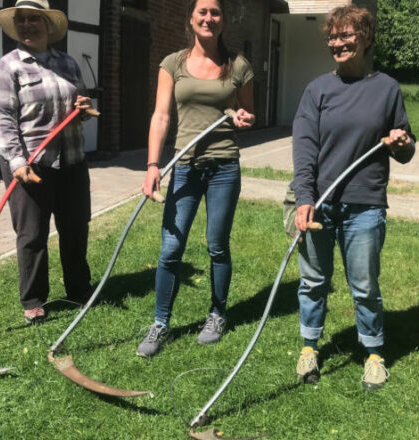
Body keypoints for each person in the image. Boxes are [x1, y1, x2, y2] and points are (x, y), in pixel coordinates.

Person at [291, 6, 415, 390]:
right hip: (321, 202)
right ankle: (309, 347)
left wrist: (401, 142)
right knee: (313, 280)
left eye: (346, 35)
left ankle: (374, 353)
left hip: (365, 202)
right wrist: (304, 197)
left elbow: (406, 148)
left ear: (365, 38)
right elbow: (305, 147)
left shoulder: (387, 89)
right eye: (333, 36)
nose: (338, 43)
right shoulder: (317, 90)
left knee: (364, 284)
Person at [137, 0, 256, 358]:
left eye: (215, 12)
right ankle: (160, 323)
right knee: (172, 248)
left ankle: (217, 314)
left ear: (223, 20)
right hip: (185, 166)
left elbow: (249, 113)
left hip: (223, 167)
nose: (208, 18)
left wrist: (242, 119)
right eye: (202, 11)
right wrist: (153, 165)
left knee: (217, 245)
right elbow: (160, 116)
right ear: (191, 18)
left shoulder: (238, 65)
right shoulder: (172, 63)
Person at [0, 0, 94, 324]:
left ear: (48, 26)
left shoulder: (68, 63)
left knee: (75, 228)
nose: (27, 26)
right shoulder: (7, 68)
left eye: (34, 19)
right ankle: (34, 299)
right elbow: (3, 120)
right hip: (30, 165)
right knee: (32, 234)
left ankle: (79, 288)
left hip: (72, 159)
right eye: (21, 20)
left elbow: (80, 104)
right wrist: (19, 163)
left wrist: (83, 105)